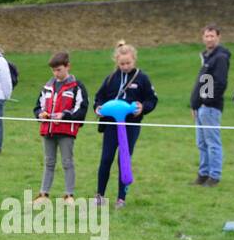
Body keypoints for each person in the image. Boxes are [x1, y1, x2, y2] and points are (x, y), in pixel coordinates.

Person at [93, 41, 157, 208]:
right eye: (122, 63)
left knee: (124, 161)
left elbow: (151, 99)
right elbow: (98, 98)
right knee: (106, 159)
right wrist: (98, 108)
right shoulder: (110, 78)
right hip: (111, 127)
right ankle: (99, 196)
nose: (125, 66)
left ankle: (121, 198)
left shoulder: (142, 78)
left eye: (128, 63)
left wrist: (143, 108)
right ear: (117, 62)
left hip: (130, 127)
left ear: (134, 60)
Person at [32, 51, 88, 205]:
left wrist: (65, 115)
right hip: (48, 130)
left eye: (59, 70)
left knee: (67, 162)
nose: (56, 73)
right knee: (49, 162)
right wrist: (40, 115)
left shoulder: (77, 86)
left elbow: (81, 109)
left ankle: (69, 196)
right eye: (53, 70)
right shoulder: (48, 86)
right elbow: (38, 107)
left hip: (66, 132)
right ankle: (43, 195)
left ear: (67, 66)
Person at [191, 24, 230, 187]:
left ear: (218, 37)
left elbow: (220, 83)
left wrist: (207, 102)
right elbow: (202, 83)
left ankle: (214, 176)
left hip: (211, 108)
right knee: (201, 143)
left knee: (212, 143)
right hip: (201, 108)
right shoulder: (208, 57)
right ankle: (203, 174)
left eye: (212, 36)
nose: (209, 39)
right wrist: (195, 105)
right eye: (206, 36)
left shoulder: (220, 57)